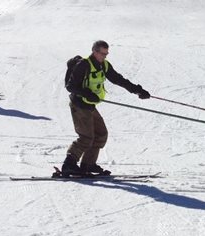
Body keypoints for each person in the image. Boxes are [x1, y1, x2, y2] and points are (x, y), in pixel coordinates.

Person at [62, 40, 150, 176]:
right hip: (79, 105)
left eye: (106, 54)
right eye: (102, 53)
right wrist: (87, 94)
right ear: (95, 51)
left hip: (90, 105)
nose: (105, 56)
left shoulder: (104, 65)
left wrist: (137, 90)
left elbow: (118, 79)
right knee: (86, 136)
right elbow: (70, 86)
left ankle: (88, 164)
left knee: (101, 134)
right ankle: (69, 165)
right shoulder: (84, 65)